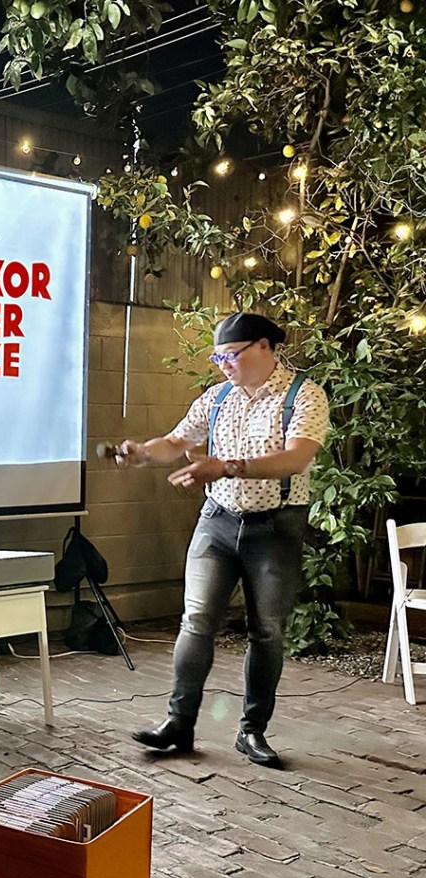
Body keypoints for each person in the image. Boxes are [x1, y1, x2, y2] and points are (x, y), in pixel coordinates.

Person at [115, 312, 330, 768]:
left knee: (266, 630)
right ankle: (179, 724)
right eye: (218, 358)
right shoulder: (216, 398)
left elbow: (295, 459)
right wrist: (142, 452)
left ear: (264, 347)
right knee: (196, 620)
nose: (223, 365)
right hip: (217, 521)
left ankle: (252, 731)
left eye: (231, 355)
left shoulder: (304, 395)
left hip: (276, 527)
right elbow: (176, 441)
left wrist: (228, 466)